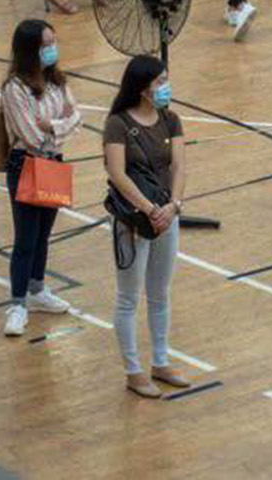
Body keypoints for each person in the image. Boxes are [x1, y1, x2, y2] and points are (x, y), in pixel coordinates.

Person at [104, 55, 189, 399]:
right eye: (160, 82)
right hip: (132, 218)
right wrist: (150, 209)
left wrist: (173, 206)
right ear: (143, 88)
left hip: (167, 215)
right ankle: (133, 370)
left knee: (160, 292)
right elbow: (117, 173)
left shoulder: (172, 120)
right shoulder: (118, 123)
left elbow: (179, 167)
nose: (166, 87)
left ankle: (161, 360)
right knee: (128, 296)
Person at [0, 18, 80, 336]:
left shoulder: (58, 82)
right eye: (45, 45)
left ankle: (37, 289)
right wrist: (58, 127)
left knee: (45, 233)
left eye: (53, 43)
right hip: (25, 165)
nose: (52, 50)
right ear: (29, 49)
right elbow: (31, 137)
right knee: (26, 237)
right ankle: (17, 304)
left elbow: (77, 117)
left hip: (53, 162)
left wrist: (55, 127)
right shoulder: (14, 89)